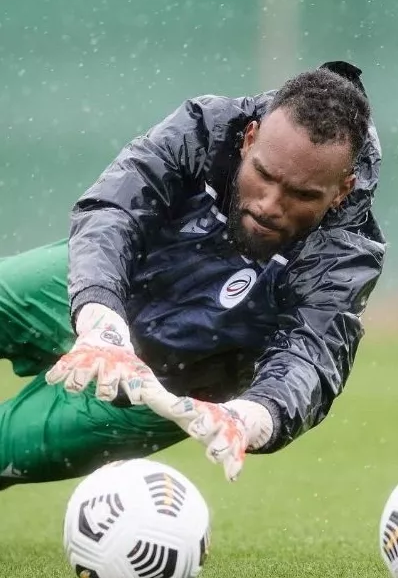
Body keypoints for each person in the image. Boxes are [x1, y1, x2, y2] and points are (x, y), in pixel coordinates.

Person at [0, 61, 385, 489]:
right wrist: (100, 315)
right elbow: (115, 209)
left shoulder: (344, 253)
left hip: (164, 386)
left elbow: (312, 357)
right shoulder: (208, 127)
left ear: (342, 189)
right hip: (102, 283)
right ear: (250, 139)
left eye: (302, 194)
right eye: (264, 175)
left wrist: (253, 415)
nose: (270, 205)